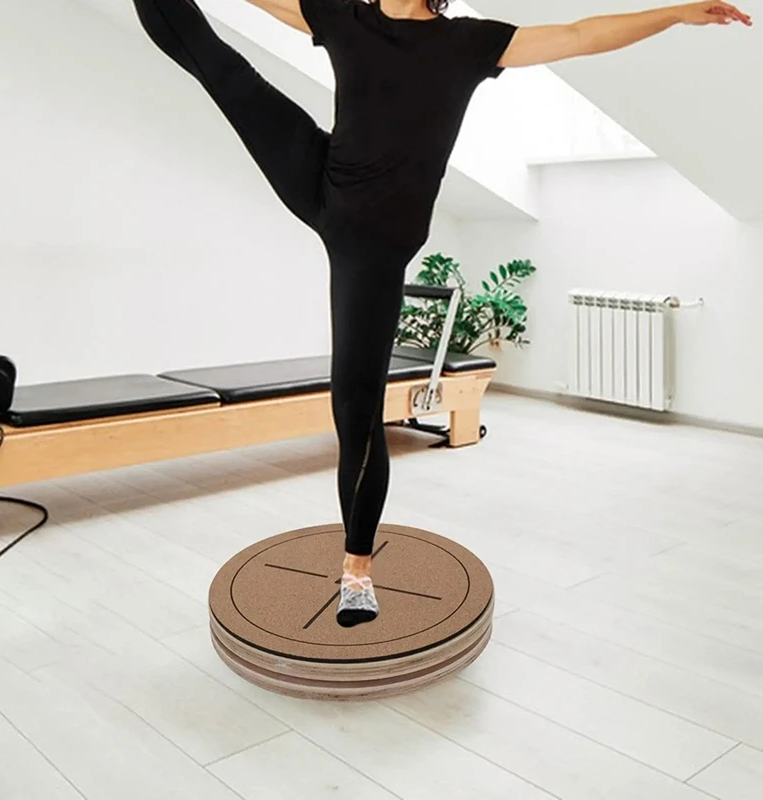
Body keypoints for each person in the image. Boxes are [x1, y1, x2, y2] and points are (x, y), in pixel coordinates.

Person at [130, 0, 751, 627]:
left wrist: (675, 14)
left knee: (356, 406)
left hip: (372, 241)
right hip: (318, 175)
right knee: (224, 71)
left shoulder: (467, 45)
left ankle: (357, 570)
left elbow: (581, 34)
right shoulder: (345, 15)